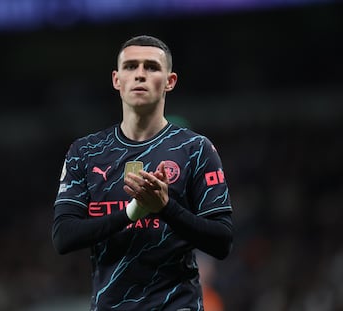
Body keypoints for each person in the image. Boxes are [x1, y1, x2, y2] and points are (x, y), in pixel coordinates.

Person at [52, 35, 233, 311]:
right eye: (130, 66)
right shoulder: (86, 152)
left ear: (170, 81)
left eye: (151, 67)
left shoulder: (196, 149)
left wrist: (164, 207)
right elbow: (64, 236)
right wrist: (131, 213)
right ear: (116, 80)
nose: (139, 75)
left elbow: (221, 241)